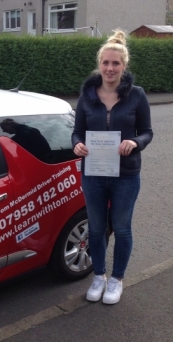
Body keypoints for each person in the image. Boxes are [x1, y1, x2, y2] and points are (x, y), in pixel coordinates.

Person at [71, 29, 153, 304]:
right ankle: (99, 276)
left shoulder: (137, 96)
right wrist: (77, 146)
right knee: (95, 228)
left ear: (124, 65)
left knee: (122, 227)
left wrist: (135, 142)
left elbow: (147, 132)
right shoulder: (87, 96)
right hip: (93, 172)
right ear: (99, 64)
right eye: (105, 62)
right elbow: (77, 133)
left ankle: (117, 279)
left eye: (115, 63)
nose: (109, 68)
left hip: (126, 175)